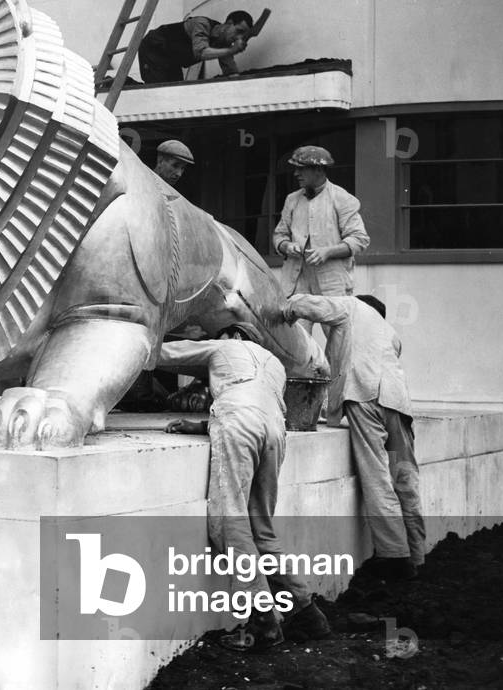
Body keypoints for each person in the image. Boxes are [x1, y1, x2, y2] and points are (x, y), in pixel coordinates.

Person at [160, 326, 331, 650]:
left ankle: (263, 620)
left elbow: (160, 354)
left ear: (233, 336)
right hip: (276, 432)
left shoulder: (224, 347)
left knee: (230, 521)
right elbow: (256, 407)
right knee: (261, 528)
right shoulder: (274, 364)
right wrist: (199, 426)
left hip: (238, 420)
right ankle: (307, 613)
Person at [282, 294, 425, 580]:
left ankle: (394, 557)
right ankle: (418, 555)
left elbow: (309, 305)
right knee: (403, 476)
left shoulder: (350, 307)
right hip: (397, 404)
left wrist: (284, 307)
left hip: (366, 398)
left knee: (376, 475)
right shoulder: (391, 333)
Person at [272, 146, 370, 299]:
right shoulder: (292, 200)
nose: (296, 173)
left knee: (336, 323)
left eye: (301, 169)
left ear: (318, 169)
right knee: (293, 324)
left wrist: (327, 252)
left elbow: (359, 239)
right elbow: (279, 235)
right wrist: (286, 246)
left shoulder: (342, 198)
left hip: (333, 285)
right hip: (296, 284)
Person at [138, 11, 253, 84]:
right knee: (158, 90)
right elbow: (201, 52)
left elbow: (231, 71)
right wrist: (232, 50)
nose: (238, 38)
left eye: (242, 35)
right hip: (154, 48)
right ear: (228, 23)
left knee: (176, 92)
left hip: (172, 59)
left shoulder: (223, 43)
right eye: (239, 31)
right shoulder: (201, 24)